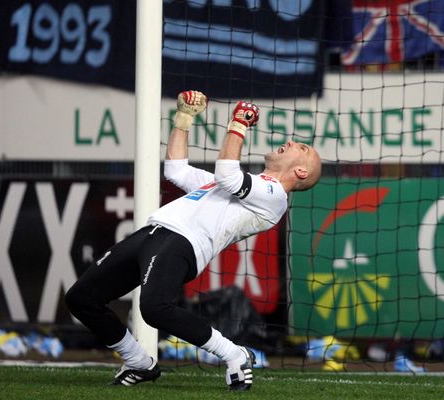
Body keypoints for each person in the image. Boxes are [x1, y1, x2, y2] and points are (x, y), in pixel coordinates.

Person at [65, 90, 322, 391]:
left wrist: (238, 124)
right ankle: (138, 362)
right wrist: (184, 119)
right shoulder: (234, 187)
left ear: (301, 171)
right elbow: (176, 170)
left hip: (183, 242)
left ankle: (234, 354)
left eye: (301, 148)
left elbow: (229, 176)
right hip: (152, 233)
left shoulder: (275, 196)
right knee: (80, 299)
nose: (291, 142)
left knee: (154, 308)